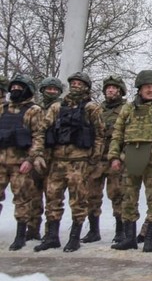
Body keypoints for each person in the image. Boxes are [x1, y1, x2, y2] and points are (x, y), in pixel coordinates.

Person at [109, 70, 152, 251]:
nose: (151, 90)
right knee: (128, 198)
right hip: (130, 157)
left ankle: (150, 238)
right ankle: (129, 238)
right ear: (139, 89)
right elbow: (117, 134)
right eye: (147, 87)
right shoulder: (128, 109)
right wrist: (114, 156)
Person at [35, 72, 105, 253]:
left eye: (79, 83)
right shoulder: (57, 107)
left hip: (79, 161)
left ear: (86, 87)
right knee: (52, 198)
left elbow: (99, 135)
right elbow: (41, 130)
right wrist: (39, 154)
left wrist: (93, 160)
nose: (75, 86)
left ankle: (74, 238)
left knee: (79, 200)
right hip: (57, 161)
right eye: (73, 83)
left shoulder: (92, 108)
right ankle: (52, 237)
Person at [1, 75, 47, 251]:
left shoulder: (33, 110)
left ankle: (21, 235)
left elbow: (38, 136)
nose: (16, 90)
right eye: (14, 87)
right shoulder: (2, 108)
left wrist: (30, 159)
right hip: (1, 161)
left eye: (20, 87)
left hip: (20, 163)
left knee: (22, 199)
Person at [82, 75, 127, 244]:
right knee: (92, 195)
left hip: (116, 158)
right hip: (96, 158)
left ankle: (120, 231)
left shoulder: (126, 109)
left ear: (120, 91)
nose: (110, 90)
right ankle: (94, 230)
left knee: (117, 194)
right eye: (108, 87)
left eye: (114, 88)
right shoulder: (97, 109)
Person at [28, 77, 64, 242]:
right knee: (33, 195)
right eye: (48, 88)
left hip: (56, 158)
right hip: (35, 157)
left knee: (53, 196)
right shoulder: (33, 109)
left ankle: (51, 233)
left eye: (55, 89)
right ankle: (32, 229)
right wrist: (34, 155)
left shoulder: (63, 108)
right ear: (42, 90)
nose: (51, 91)